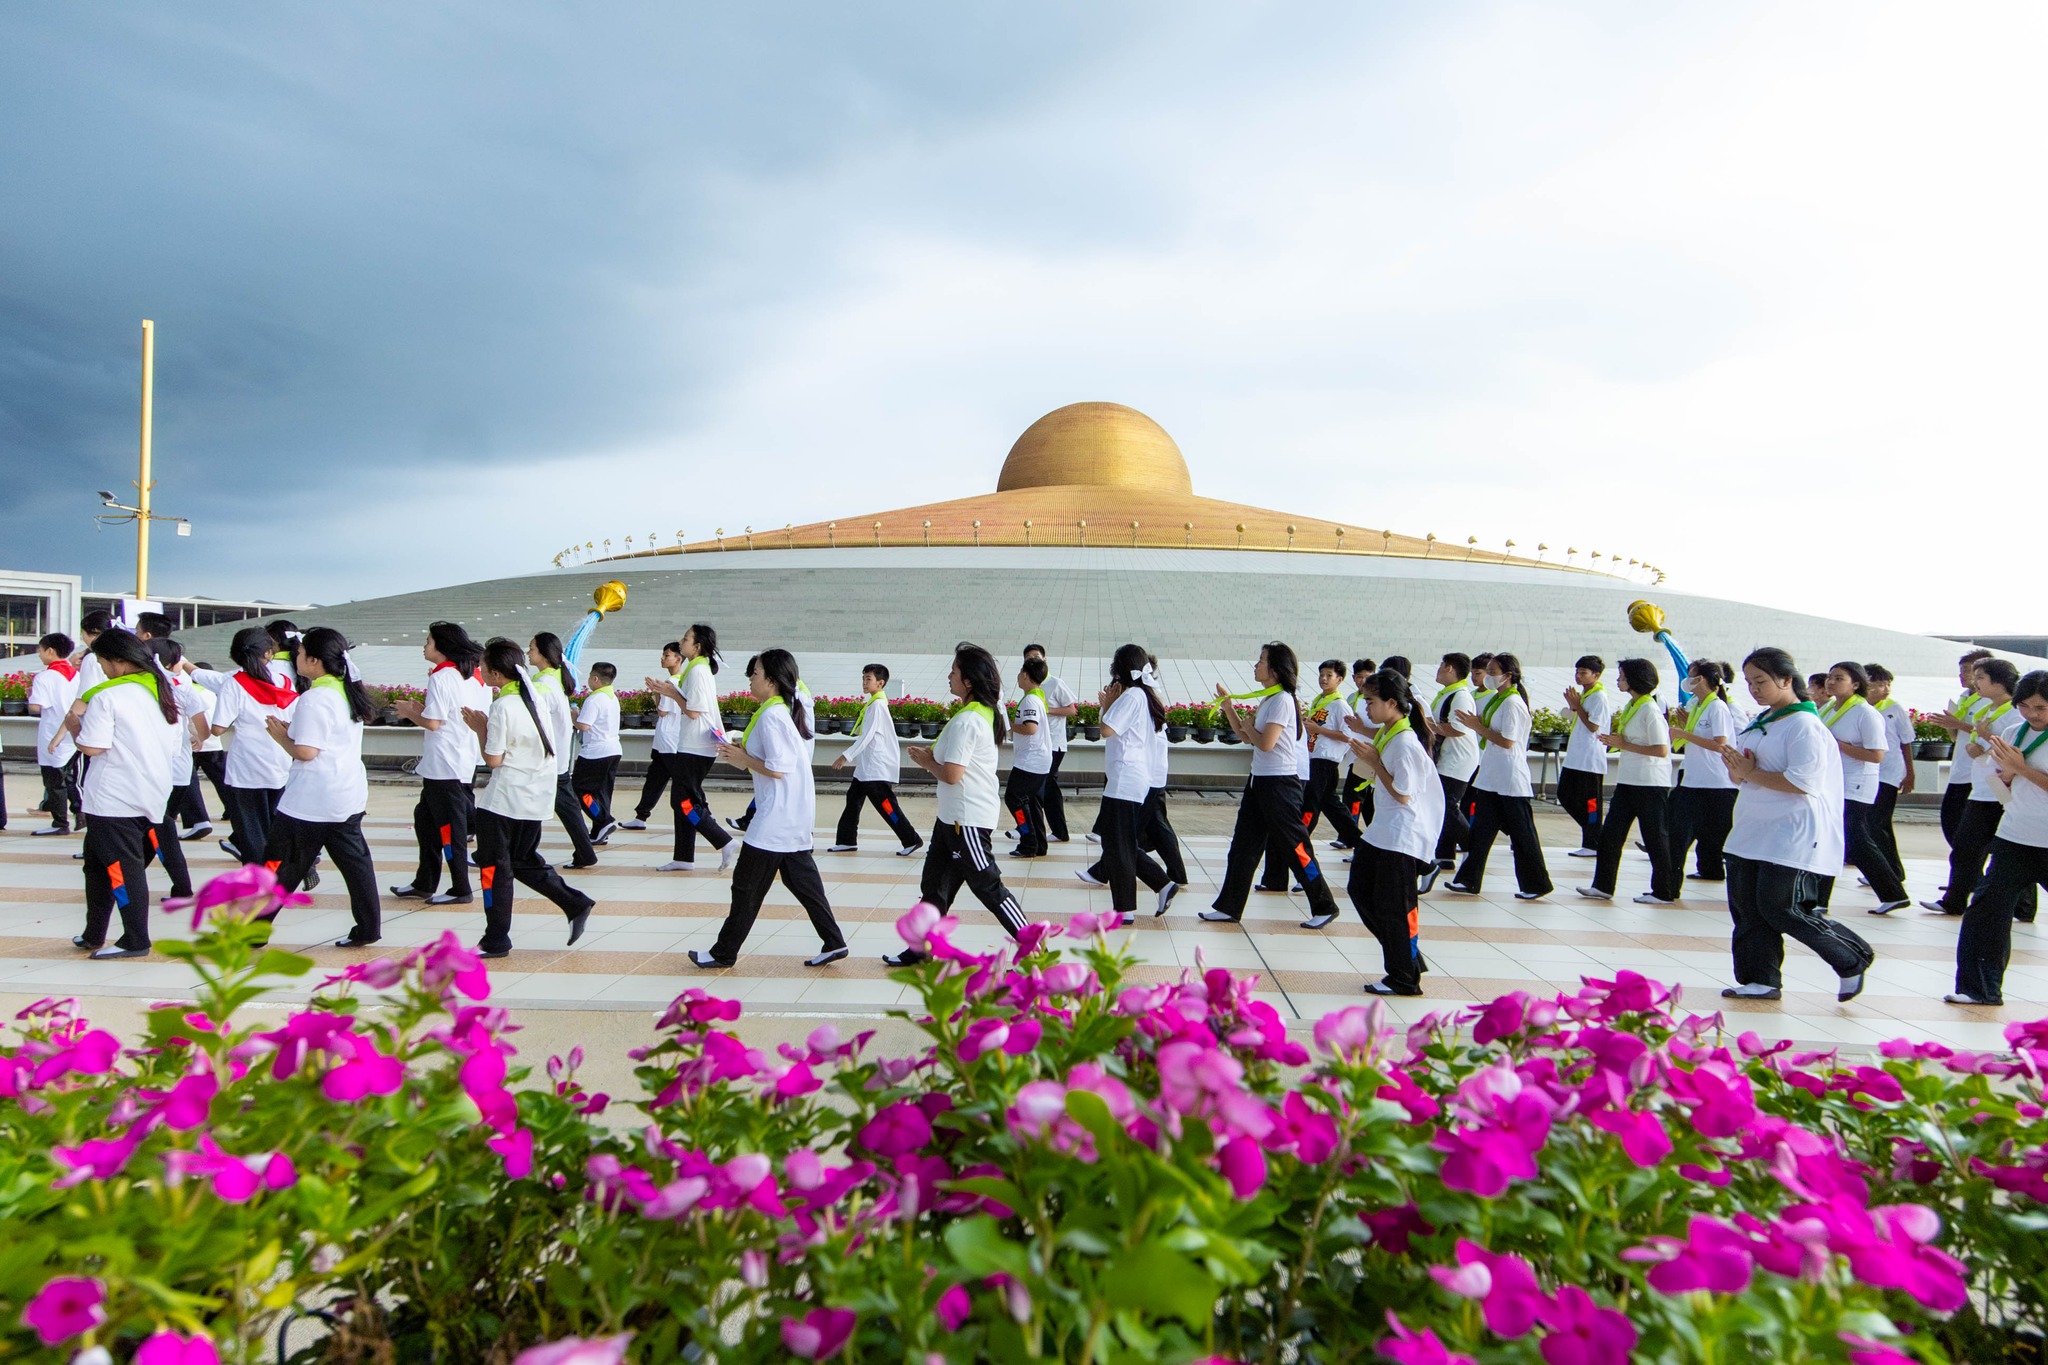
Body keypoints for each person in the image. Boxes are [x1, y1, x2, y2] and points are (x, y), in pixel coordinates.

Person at [1709, 647, 1875, 1003]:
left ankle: (1850, 956)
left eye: (1762, 681)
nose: (1755, 688)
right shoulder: (1764, 722)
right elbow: (1747, 775)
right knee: (1748, 909)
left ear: (1786, 680)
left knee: (1782, 907)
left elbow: (1803, 782)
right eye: (1751, 682)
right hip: (1752, 828)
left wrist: (1750, 772)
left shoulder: (1804, 726)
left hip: (1792, 831)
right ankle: (1760, 979)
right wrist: (1740, 772)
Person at [689, 650, 848, 969]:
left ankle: (723, 952)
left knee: (746, 886)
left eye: (755, 674)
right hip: (790, 815)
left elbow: (779, 767)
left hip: (776, 818)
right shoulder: (779, 711)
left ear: (772, 681)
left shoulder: (774, 716)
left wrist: (741, 759)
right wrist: (741, 752)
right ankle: (834, 942)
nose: (750, 679)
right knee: (802, 883)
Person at [883, 643, 1030, 966]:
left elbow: (952, 774)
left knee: (988, 885)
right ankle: (921, 948)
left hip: (968, 820)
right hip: (951, 819)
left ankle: (1033, 945)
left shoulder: (969, 721)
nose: (949, 676)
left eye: (954, 671)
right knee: (934, 885)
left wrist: (925, 762)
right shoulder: (978, 713)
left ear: (969, 681)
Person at [465, 637, 596, 959]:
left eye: (483, 665)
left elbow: (493, 760)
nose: (479, 669)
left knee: (493, 869)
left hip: (504, 801)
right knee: (522, 861)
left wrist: (480, 729)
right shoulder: (534, 695)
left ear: (495, 674)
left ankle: (496, 939)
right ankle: (575, 902)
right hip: (535, 796)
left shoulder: (503, 706)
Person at [1198, 642, 1345, 927]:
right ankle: (1229, 907)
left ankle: (1324, 905)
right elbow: (1245, 736)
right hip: (1260, 782)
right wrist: (1229, 708)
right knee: (1243, 846)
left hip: (1279, 784)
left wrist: (1251, 727)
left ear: (1276, 669)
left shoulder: (1281, 700)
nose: (1256, 665)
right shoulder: (1269, 699)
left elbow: (1264, 743)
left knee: (1296, 847)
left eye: (1261, 660)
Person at [260, 627, 382, 947]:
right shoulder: (347, 690)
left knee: (279, 865)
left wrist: (280, 736)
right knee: (356, 866)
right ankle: (369, 928)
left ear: (314, 660)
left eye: (300, 654)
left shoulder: (315, 697)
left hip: (311, 799)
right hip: (346, 794)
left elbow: (306, 752)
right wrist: (293, 734)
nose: (296, 658)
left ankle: (251, 932)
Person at [70, 629, 179, 959]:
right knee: (97, 866)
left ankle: (135, 938)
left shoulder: (109, 697)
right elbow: (176, 745)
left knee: (120, 870)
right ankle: (94, 932)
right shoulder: (160, 692)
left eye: (102, 661)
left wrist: (75, 726)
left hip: (113, 799)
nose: (102, 668)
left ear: (118, 661)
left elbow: (92, 746)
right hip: (150, 792)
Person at [1950, 669, 2048, 1005]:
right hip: (2015, 837)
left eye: (2041, 708)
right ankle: (1979, 989)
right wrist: (2006, 776)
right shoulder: (2010, 732)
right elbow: (1999, 788)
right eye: (2025, 706)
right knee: (1987, 910)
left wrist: (2021, 769)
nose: (2032, 714)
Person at [1345, 669, 1444, 995]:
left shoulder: (1404, 742)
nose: (1366, 708)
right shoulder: (1389, 734)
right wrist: (1374, 760)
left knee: (1396, 908)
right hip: (1382, 832)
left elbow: (1403, 792)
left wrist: (1374, 762)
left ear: (1391, 702)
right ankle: (1406, 959)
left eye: (1371, 702)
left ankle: (1404, 977)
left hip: (1402, 835)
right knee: (1360, 889)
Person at [388, 621, 488, 905]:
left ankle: (460, 888)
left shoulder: (442, 677)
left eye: (429, 641)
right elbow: (444, 716)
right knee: (425, 823)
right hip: (452, 762)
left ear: (442, 647)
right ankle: (424, 882)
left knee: (449, 830)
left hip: (446, 765)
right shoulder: (469, 676)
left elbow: (434, 722)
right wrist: (420, 711)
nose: (424, 645)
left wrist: (410, 712)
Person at [1079, 644, 1178, 919]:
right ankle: (1159, 887)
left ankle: (1132, 904)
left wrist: (1108, 706)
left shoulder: (1133, 695)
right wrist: (1110, 707)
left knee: (1118, 844)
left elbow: (1107, 730)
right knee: (1116, 842)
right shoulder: (1144, 695)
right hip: (1131, 778)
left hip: (1125, 777)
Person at [1925, 658, 2030, 920]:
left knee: (1997, 848)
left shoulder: (2014, 713)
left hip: (2000, 791)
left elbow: (2016, 753)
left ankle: (2021, 907)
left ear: (1999, 681)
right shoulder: (1985, 708)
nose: (1975, 682)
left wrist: (1982, 739)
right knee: (1967, 846)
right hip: (1982, 786)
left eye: (1981, 677)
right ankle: (1956, 900)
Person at [1444, 653, 1553, 901]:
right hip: (1491, 777)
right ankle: (1468, 880)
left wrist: (1477, 726)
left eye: (1493, 672)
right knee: (1480, 833)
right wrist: (1476, 723)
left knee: (1523, 835)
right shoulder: (1499, 700)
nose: (1489, 676)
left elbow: (1506, 740)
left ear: (1508, 675)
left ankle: (1537, 883)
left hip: (1510, 780)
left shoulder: (1513, 703)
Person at [194, 626, 299, 869]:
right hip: (280, 762)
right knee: (275, 825)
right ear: (269, 653)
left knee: (251, 832)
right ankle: (282, 872)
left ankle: (258, 881)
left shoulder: (235, 683)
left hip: (246, 768)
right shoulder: (284, 681)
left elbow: (218, 728)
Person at [1578, 658, 1678, 905]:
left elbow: (1662, 749)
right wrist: (1617, 742)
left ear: (1634, 679)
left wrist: (1624, 744)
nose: (1618, 680)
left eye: (1621, 676)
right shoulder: (1634, 705)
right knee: (1610, 836)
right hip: (1628, 782)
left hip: (1650, 784)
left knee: (1655, 838)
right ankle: (1602, 886)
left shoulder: (1650, 709)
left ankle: (1664, 892)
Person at [1818, 662, 1911, 915]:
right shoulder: (1828, 708)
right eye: (1830, 677)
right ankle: (1819, 899)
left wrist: (1840, 746)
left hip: (1856, 783)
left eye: (1839, 678)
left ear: (1856, 684)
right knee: (1838, 838)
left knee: (1854, 839)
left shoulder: (1865, 713)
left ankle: (1893, 892)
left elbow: (1877, 755)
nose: (1831, 682)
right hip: (1834, 782)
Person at [641, 624, 736, 872]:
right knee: (685, 800)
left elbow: (693, 710)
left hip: (696, 745)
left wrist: (671, 692)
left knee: (683, 802)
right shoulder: (696, 669)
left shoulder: (698, 672)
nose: (681, 642)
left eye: (686, 638)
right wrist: (666, 691)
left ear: (697, 646)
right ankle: (684, 857)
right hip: (693, 744)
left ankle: (722, 840)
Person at [828, 665, 923, 855]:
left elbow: (867, 736)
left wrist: (845, 756)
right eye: (863, 678)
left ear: (880, 683)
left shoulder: (877, 706)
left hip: (876, 769)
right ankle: (846, 841)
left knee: (886, 805)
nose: (864, 682)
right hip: (867, 768)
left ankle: (911, 839)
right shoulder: (874, 704)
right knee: (853, 800)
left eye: (868, 679)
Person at [529, 633, 598, 870]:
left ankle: (523, 853)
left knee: (531, 807)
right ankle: (585, 852)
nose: (528, 653)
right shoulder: (553, 679)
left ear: (544, 655)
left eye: (532, 649)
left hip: (547, 760)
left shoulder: (542, 686)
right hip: (557, 759)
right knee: (567, 809)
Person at [1667, 661, 1739, 882]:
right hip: (1694, 779)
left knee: (1712, 834)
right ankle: (1701, 872)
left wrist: (1684, 733)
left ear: (1705, 679)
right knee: (1687, 830)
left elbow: (1720, 744)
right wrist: (1688, 725)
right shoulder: (1697, 705)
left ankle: (1709, 871)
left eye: (1693, 676)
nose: (1689, 681)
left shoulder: (1717, 706)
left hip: (1716, 782)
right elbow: (1702, 734)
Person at [144, 640, 200, 900]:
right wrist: (195, 738)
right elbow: (204, 727)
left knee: (160, 828)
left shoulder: (148, 687)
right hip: (179, 770)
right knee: (152, 826)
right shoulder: (182, 686)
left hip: (160, 771)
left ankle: (182, 886)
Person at [1928, 650, 1995, 848]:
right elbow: (1958, 736)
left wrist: (1959, 724)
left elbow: (1991, 733)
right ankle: (1970, 876)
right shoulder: (1965, 697)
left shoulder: (1991, 700)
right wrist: (1951, 725)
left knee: (1967, 829)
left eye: (1967, 671)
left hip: (1979, 772)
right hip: (1960, 768)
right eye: (1961, 671)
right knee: (1952, 823)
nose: (1962, 675)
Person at [1421, 652, 1478, 886]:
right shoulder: (1448, 694)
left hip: (1458, 759)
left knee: (1447, 804)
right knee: (1443, 804)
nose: (1439, 670)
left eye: (1442, 666)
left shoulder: (1461, 696)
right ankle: (1446, 855)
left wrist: (1429, 726)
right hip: (1448, 758)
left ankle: (1472, 848)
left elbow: (1458, 729)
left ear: (1451, 669)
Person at [619, 641, 683, 831]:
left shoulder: (673, 683)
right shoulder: (674, 682)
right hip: (665, 742)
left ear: (678, 659)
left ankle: (704, 816)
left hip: (671, 743)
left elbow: (662, 711)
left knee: (683, 784)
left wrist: (656, 693)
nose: (663, 659)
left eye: (667, 655)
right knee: (654, 780)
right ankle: (641, 816)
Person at [1300, 660, 1364, 849]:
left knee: (1310, 803)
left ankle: (1299, 840)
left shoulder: (1339, 705)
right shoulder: (1320, 701)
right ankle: (1358, 841)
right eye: (1321, 675)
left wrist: (1318, 730)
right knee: (1331, 805)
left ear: (1339, 679)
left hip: (1325, 761)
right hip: (1314, 757)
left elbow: (1347, 736)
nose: (1324, 679)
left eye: (1329, 675)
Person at [1558, 655, 1614, 858]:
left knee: (1591, 803)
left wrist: (1577, 706)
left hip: (1590, 759)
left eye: (1584, 673)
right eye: (1577, 672)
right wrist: (1574, 707)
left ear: (1596, 675)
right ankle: (1594, 834)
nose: (1578, 676)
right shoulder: (1587, 694)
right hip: (1576, 756)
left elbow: (1593, 726)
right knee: (1564, 795)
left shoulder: (1599, 696)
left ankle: (1593, 842)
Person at [1023, 645, 1080, 844]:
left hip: (1054, 743)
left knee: (1041, 787)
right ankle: (1053, 830)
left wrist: (1048, 710)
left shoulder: (1055, 683)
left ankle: (1038, 831)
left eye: (1036, 657)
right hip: (1038, 745)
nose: (1033, 660)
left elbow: (1072, 710)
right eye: (1028, 658)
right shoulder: (1029, 684)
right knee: (1045, 788)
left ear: (1045, 659)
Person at [27, 632, 81, 836]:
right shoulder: (78, 674)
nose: (39, 655)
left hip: (52, 732)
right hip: (74, 732)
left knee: (54, 780)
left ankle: (60, 822)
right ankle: (79, 812)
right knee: (72, 778)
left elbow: (35, 707)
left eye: (40, 650)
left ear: (50, 651)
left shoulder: (45, 676)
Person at [1864, 663, 1915, 883]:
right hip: (1866, 772)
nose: (1885, 689)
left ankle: (1892, 871)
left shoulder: (1894, 708)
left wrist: (1910, 773)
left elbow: (1906, 742)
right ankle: (1881, 870)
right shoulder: (1858, 708)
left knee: (1878, 822)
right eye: (1879, 685)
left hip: (1889, 772)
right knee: (1868, 823)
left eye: (1888, 685)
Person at [1004, 657, 1055, 858]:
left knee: (1014, 798)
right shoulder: (1037, 696)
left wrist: (1008, 727)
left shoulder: (1031, 700)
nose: (1018, 676)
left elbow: (1030, 728)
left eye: (1019, 672)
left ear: (1025, 675)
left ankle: (1028, 841)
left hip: (1030, 760)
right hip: (1038, 759)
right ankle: (1039, 844)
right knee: (1031, 802)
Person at [571, 661, 623, 845]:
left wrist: (574, 715)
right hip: (613, 750)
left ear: (595, 678)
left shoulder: (594, 699)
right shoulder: (611, 697)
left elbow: (584, 725)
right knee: (602, 793)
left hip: (595, 752)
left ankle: (603, 821)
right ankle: (600, 831)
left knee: (580, 790)